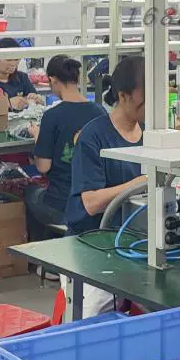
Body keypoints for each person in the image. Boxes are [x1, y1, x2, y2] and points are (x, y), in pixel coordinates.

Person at [25, 55, 106, 239]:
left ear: (53, 80)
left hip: (61, 205)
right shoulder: (99, 112)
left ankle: (38, 251)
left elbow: (43, 167)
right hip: (93, 206)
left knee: (30, 192)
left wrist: (38, 136)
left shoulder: (52, 116)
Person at [65, 55, 145, 235]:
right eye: (147, 98)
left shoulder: (150, 133)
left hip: (133, 232)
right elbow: (91, 203)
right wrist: (140, 184)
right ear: (123, 96)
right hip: (92, 237)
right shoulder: (93, 137)